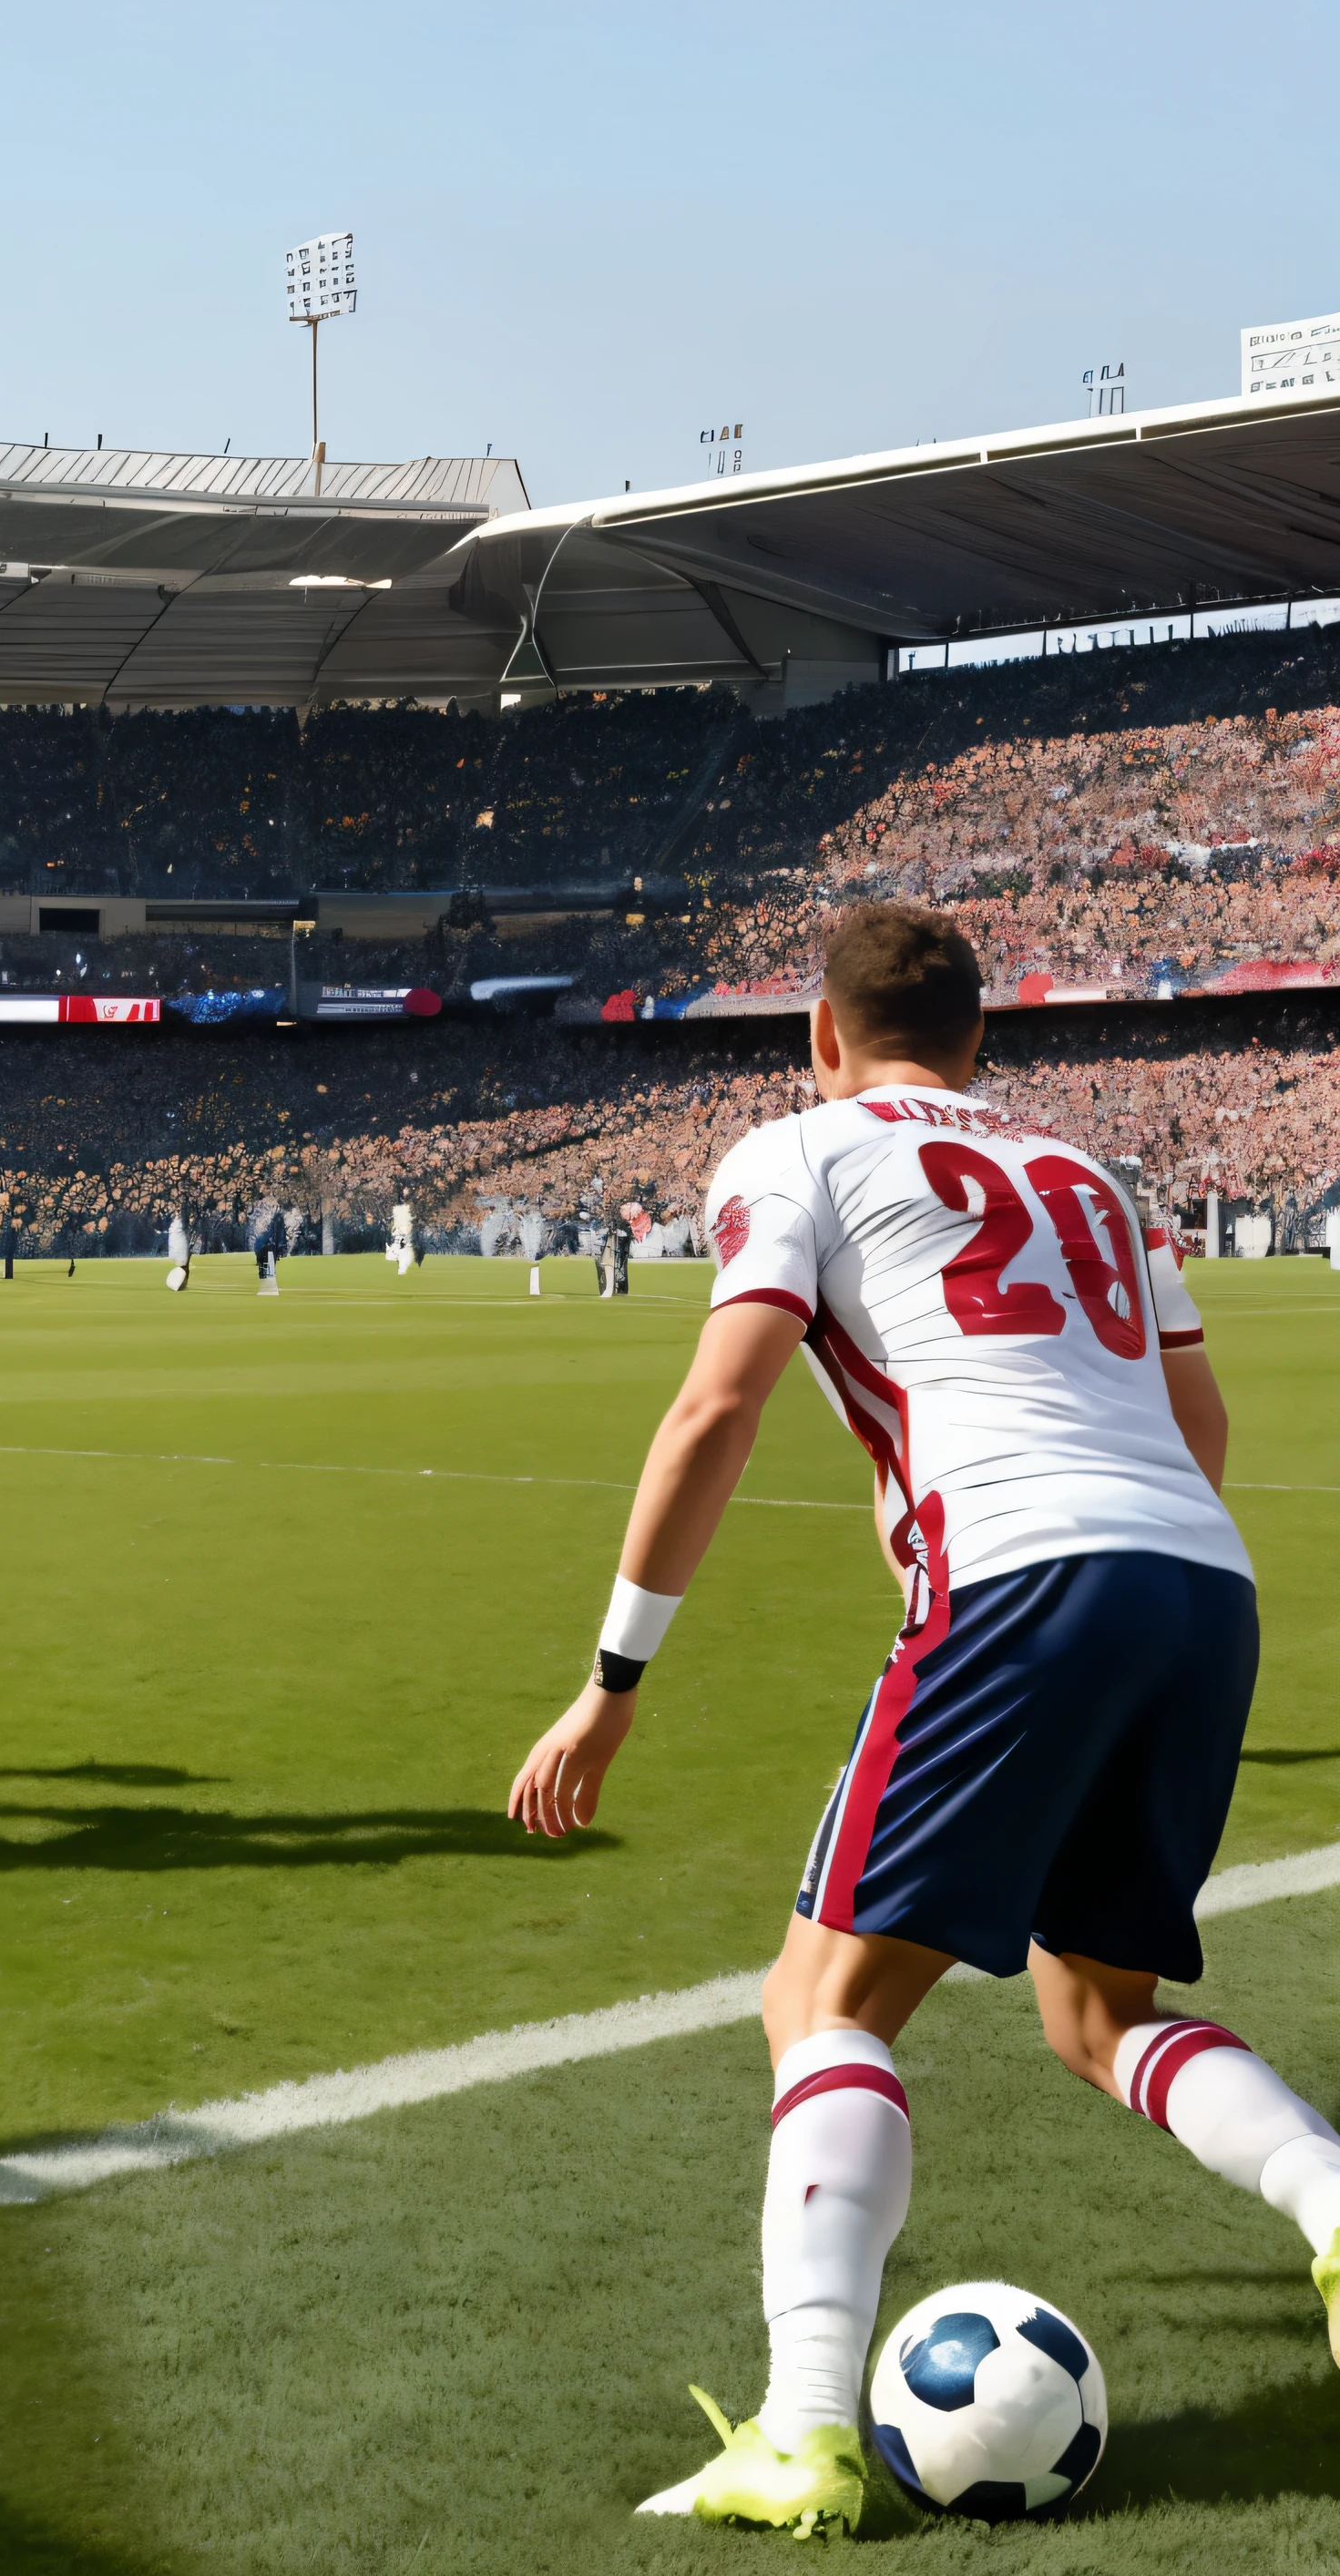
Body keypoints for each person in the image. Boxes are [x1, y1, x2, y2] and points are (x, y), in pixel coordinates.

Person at [506, 902, 1340, 2539]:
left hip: (1018, 1572)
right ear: (980, 1039)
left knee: (819, 2000)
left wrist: (611, 1682)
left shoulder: (798, 1147)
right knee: (1093, 2011)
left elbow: (716, 1404)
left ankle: (805, 2432)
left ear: (820, 1034)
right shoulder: (1098, 1172)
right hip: (1196, 1579)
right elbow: (1199, 1415)